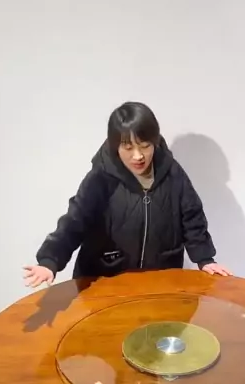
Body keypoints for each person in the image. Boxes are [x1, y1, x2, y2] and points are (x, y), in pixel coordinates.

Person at [24, 102, 232, 288]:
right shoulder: (100, 177)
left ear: (154, 142)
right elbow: (75, 221)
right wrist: (50, 261)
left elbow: (192, 217)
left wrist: (205, 260)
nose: (138, 156)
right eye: (128, 147)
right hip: (105, 282)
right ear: (116, 145)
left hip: (158, 282)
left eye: (145, 146)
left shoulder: (172, 173)